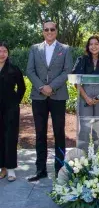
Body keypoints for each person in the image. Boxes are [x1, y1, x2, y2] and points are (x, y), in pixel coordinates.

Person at [26, 20, 73, 181]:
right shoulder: (34, 49)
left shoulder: (65, 49)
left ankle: (60, 170)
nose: (49, 31)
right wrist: (42, 87)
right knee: (40, 133)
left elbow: (68, 71)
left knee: (59, 133)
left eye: (52, 29)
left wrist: (51, 87)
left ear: (56, 31)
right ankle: (40, 170)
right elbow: (30, 71)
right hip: (38, 96)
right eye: (46, 29)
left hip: (58, 96)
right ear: (42, 32)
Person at [72, 35, 99, 151]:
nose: (93, 46)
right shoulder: (81, 60)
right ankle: (82, 158)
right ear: (88, 47)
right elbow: (76, 82)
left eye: (96, 44)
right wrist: (86, 97)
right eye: (91, 44)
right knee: (85, 129)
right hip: (84, 97)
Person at [0, 42, 26, 182]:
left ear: (8, 53)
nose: (2, 53)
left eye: (4, 51)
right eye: (0, 51)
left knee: (10, 137)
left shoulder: (14, 69)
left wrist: (16, 102)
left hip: (11, 108)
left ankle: (10, 169)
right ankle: (2, 168)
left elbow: (22, 87)